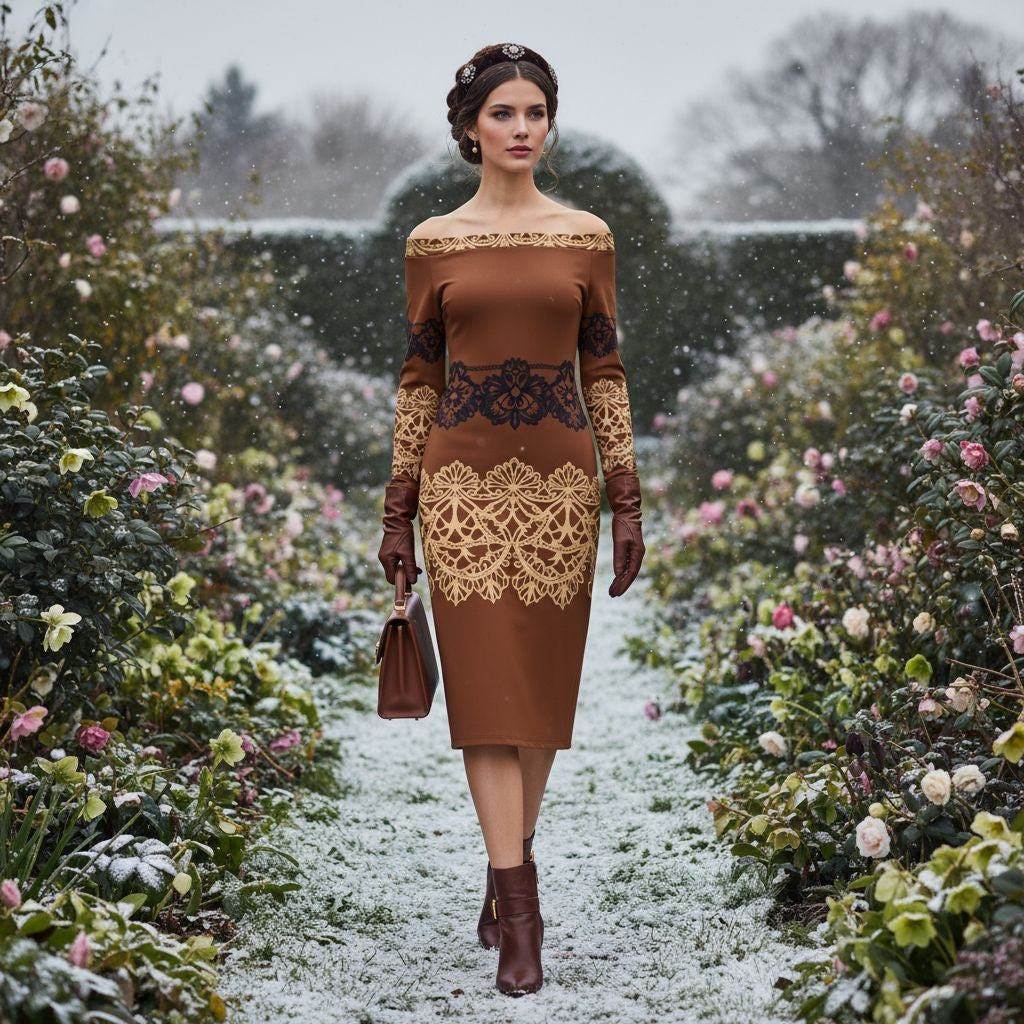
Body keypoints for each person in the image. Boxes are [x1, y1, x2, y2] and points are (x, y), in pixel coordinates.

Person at [377, 41, 645, 997]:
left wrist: (626, 499)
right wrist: (398, 511)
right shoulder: (432, 245)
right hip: (463, 496)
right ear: (469, 129)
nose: (522, 128)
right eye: (504, 114)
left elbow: (604, 371)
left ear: (549, 122)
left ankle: (507, 857)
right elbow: (418, 383)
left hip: (561, 493)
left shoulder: (587, 236)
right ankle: (520, 904)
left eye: (536, 112)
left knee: (536, 706)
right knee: (487, 702)